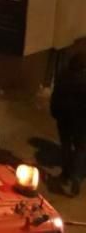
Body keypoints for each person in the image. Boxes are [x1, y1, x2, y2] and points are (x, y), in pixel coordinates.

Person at [51, 52, 86, 196]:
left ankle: (65, 173)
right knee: (81, 149)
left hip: (64, 119)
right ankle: (76, 179)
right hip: (82, 122)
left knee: (65, 146)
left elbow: (55, 98)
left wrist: (55, 113)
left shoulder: (62, 77)